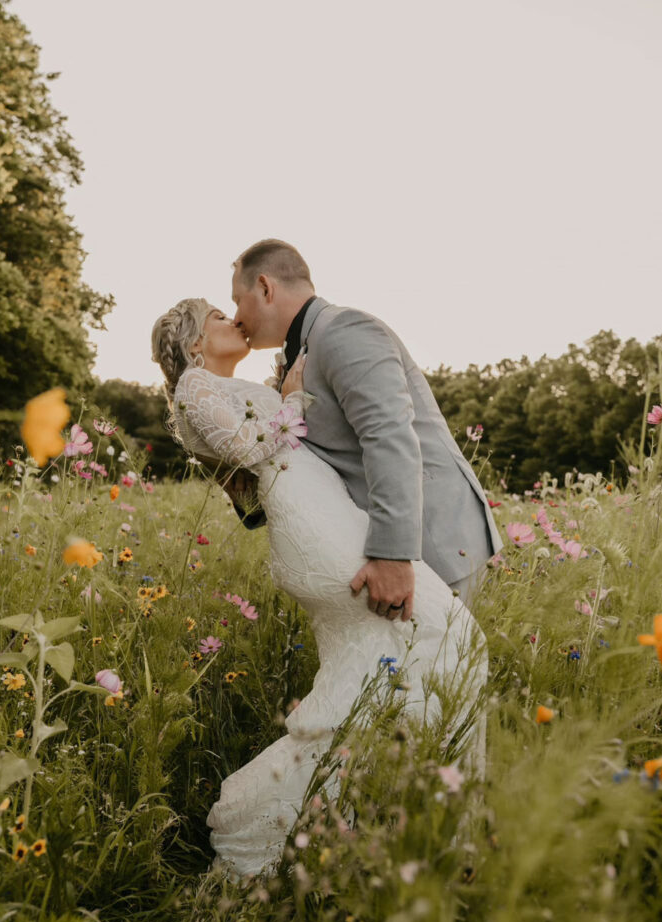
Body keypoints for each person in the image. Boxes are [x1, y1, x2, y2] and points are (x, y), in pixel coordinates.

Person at [150, 285, 493, 879]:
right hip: (314, 527)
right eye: (216, 315)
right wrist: (287, 397)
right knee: (444, 635)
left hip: (326, 509)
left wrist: (282, 391)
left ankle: (379, 815)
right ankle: (382, 818)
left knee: (398, 659)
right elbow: (247, 448)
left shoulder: (235, 386)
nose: (231, 317)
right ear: (195, 343)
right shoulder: (195, 386)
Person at [229, 239, 503, 612]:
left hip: (432, 545)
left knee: (442, 668)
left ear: (264, 287)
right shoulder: (303, 351)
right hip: (390, 552)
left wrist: (392, 554)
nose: (234, 318)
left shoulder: (343, 329)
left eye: (236, 300)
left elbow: (387, 434)